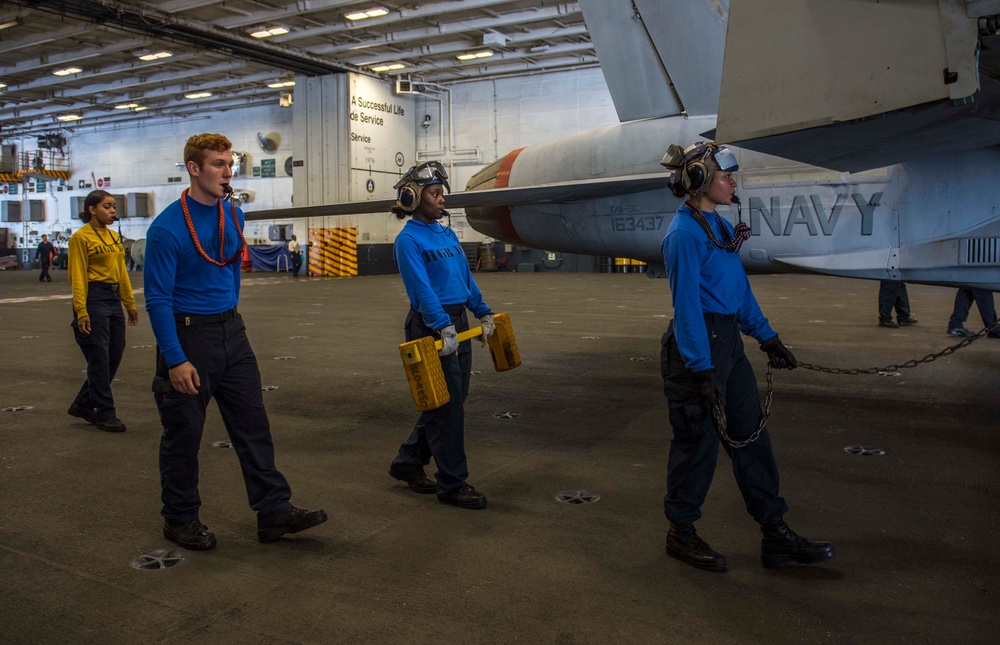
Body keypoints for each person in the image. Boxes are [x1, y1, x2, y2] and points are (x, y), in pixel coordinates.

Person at [144, 133, 327, 551]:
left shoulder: (235, 218)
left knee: (253, 426)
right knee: (183, 435)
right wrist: (175, 358)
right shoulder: (166, 230)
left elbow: (230, 273)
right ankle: (180, 518)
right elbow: (157, 299)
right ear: (194, 169)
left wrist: (230, 320)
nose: (227, 172)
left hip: (231, 332)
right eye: (217, 164)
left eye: (231, 164)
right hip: (188, 336)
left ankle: (273, 511)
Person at [658, 141, 834, 572]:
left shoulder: (716, 226)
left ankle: (774, 533)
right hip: (696, 348)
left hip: (728, 343)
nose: (732, 181)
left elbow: (738, 291)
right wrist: (701, 368)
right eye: (725, 175)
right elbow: (688, 309)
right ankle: (681, 533)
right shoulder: (683, 235)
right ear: (698, 181)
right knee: (696, 446)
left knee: (752, 438)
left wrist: (767, 337)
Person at [388, 160, 495, 510]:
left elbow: (466, 279)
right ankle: (452, 484)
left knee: (450, 401)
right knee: (447, 409)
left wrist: (482, 311)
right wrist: (442, 326)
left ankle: (408, 461)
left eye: (441, 194)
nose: (441, 200)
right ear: (413, 198)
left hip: (457, 321)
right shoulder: (408, 240)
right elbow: (421, 290)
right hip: (431, 325)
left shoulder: (446, 234)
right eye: (434, 194)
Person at [67, 191, 139, 432]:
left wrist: (129, 304)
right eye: (107, 206)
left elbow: (121, 273)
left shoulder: (112, 236)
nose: (112, 211)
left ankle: (82, 403)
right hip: (94, 299)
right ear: (92, 209)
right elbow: (77, 276)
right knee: (99, 358)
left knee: (114, 353)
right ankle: (105, 413)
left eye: (113, 207)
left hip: (113, 298)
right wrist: (81, 310)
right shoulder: (80, 237)